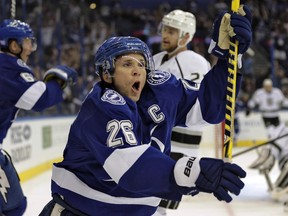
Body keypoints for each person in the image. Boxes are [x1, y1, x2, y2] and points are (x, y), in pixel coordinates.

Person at [39, 5, 252, 216]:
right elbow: (131, 167)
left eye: (141, 64)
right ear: (106, 75)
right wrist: (192, 171)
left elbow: (208, 108)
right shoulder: (102, 105)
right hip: (83, 210)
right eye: (126, 64)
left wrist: (228, 59)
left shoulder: (160, 89)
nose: (137, 71)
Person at [0, 19, 77, 215]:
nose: (30, 48)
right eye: (27, 42)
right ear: (13, 45)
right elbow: (39, 99)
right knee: (13, 207)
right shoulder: (7, 67)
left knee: (12, 205)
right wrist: (59, 81)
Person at [152, 9, 211, 213]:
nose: (165, 35)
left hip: (179, 147)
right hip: (153, 143)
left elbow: (200, 109)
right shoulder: (156, 59)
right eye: (164, 30)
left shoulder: (195, 63)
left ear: (185, 36)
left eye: (171, 31)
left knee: (156, 207)